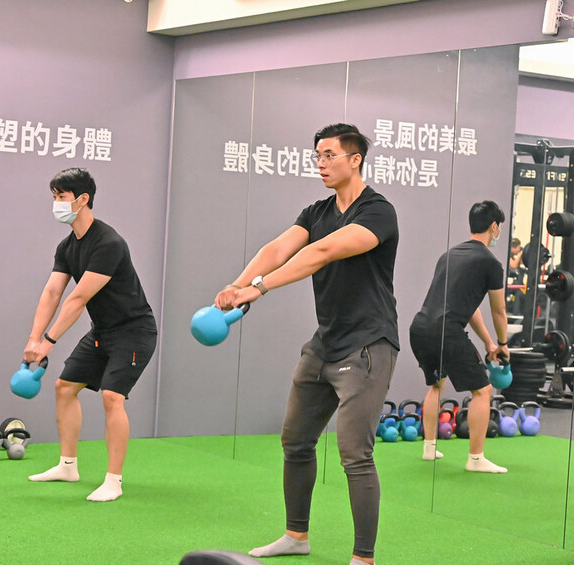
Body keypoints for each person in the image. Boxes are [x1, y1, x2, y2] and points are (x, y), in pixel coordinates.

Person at [215, 123, 399, 565]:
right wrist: (237, 285)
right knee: (296, 441)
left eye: (330, 155)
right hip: (325, 342)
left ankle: (363, 558)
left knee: (355, 455)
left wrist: (258, 288)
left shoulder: (378, 212)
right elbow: (278, 248)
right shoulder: (317, 212)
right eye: (317, 156)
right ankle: (296, 535)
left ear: (355, 159)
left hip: (367, 345)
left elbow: (321, 253)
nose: (321, 163)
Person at [23, 167, 157, 502]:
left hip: (134, 331)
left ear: (83, 199)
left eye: (62, 197)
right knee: (64, 387)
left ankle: (113, 480)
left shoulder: (108, 243)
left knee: (112, 396)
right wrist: (33, 339)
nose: (56, 203)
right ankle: (68, 466)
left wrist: (48, 343)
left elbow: (78, 298)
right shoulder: (67, 247)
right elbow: (53, 292)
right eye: (54, 197)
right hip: (103, 332)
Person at [409, 200, 509, 473]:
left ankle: (429, 448)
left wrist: (488, 342)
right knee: (483, 391)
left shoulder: (449, 255)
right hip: (446, 331)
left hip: (420, 328)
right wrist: (502, 344)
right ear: (494, 227)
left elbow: (470, 307)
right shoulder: (490, 262)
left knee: (437, 384)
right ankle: (476, 460)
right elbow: (499, 310)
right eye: (499, 227)